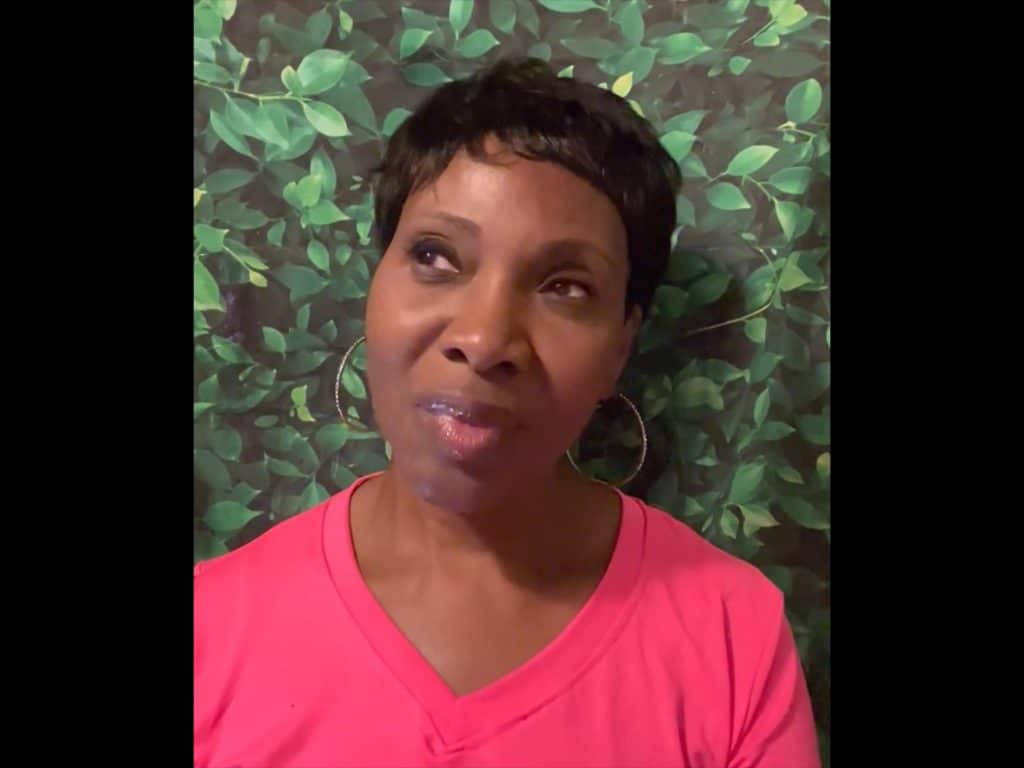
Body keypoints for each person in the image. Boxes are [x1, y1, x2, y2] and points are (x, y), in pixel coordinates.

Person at [194, 57, 820, 768]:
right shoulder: (212, 629)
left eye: (565, 287)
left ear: (620, 347)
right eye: (436, 256)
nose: (485, 339)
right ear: (374, 286)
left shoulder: (731, 637)